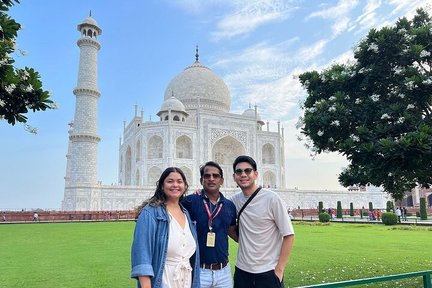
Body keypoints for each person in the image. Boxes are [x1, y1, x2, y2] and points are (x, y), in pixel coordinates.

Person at [230, 155, 295, 288]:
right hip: (242, 271)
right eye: (239, 171)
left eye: (247, 171)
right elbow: (221, 219)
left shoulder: (272, 199)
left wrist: (280, 269)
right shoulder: (233, 201)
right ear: (234, 176)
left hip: (268, 272)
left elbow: (289, 235)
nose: (243, 175)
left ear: (256, 174)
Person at [131, 167, 200, 288]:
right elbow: (142, 255)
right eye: (170, 181)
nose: (175, 185)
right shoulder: (150, 213)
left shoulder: (185, 214)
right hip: (163, 280)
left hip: (186, 280)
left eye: (179, 181)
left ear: (185, 186)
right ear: (162, 186)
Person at [182, 161, 237, 288]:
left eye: (215, 176)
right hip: (199, 270)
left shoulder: (229, 206)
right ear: (201, 180)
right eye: (207, 176)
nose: (211, 179)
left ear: (221, 180)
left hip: (224, 271)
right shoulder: (190, 202)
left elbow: (232, 231)